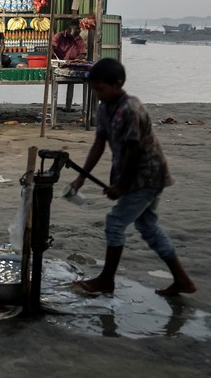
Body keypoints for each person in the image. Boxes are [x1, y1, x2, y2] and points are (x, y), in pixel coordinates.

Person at [70, 58, 195, 297]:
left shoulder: (131, 109)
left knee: (115, 223)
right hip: (133, 176)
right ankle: (182, 280)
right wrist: (81, 177)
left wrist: (121, 185)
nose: (97, 94)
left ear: (118, 84)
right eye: (94, 89)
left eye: (101, 89)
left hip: (147, 176)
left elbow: (133, 151)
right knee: (148, 226)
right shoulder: (106, 108)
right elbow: (99, 143)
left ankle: (107, 280)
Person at [51, 20, 87, 112]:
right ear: (69, 29)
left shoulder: (79, 39)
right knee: (55, 82)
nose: (78, 31)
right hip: (58, 64)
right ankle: (54, 107)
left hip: (72, 65)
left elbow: (82, 54)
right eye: (76, 29)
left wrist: (74, 60)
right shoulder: (58, 36)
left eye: (79, 29)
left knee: (73, 81)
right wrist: (52, 53)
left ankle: (68, 106)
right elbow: (51, 48)